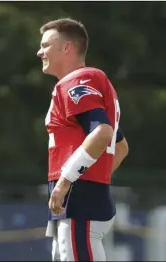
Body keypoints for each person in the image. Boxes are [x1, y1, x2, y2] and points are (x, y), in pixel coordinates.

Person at [37, 18, 129, 261]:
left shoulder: (77, 80)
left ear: (67, 48)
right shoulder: (87, 81)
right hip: (81, 196)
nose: (40, 52)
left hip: (78, 200)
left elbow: (102, 133)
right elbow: (120, 147)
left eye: (46, 45)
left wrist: (68, 180)